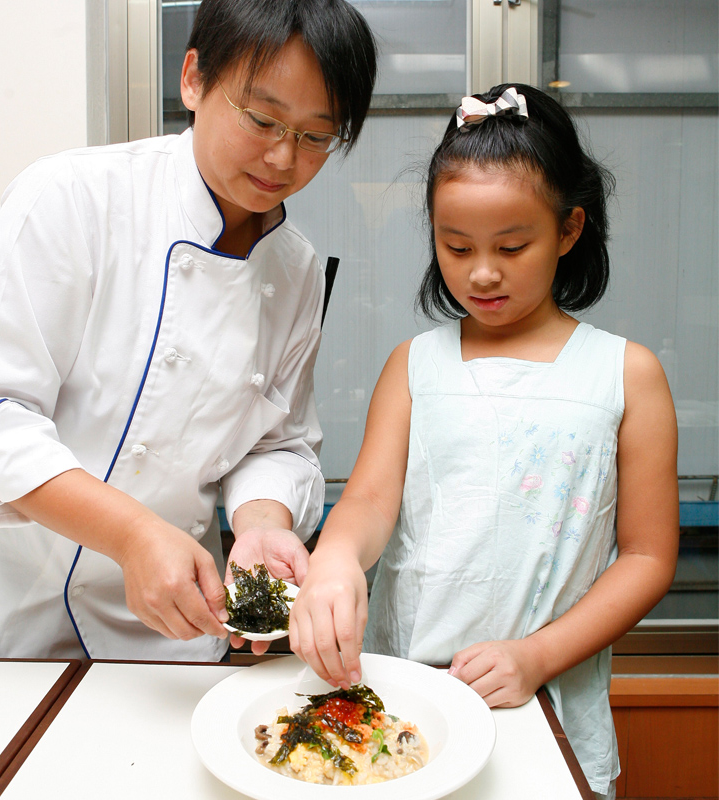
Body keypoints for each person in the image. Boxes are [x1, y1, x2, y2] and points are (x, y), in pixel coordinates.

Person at [0, 0, 377, 661]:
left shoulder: (296, 269)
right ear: (193, 79)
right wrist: (133, 535)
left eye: (314, 137)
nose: (283, 157)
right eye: (262, 119)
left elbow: (276, 445)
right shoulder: (70, 198)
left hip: (160, 635)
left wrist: (261, 524)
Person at [289, 84, 679, 799]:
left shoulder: (627, 374)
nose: (482, 272)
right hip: (407, 699)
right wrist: (336, 556)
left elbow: (649, 557)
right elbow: (370, 503)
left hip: (546, 701)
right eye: (456, 246)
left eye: (512, 245)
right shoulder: (414, 365)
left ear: (569, 231)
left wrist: (538, 655)